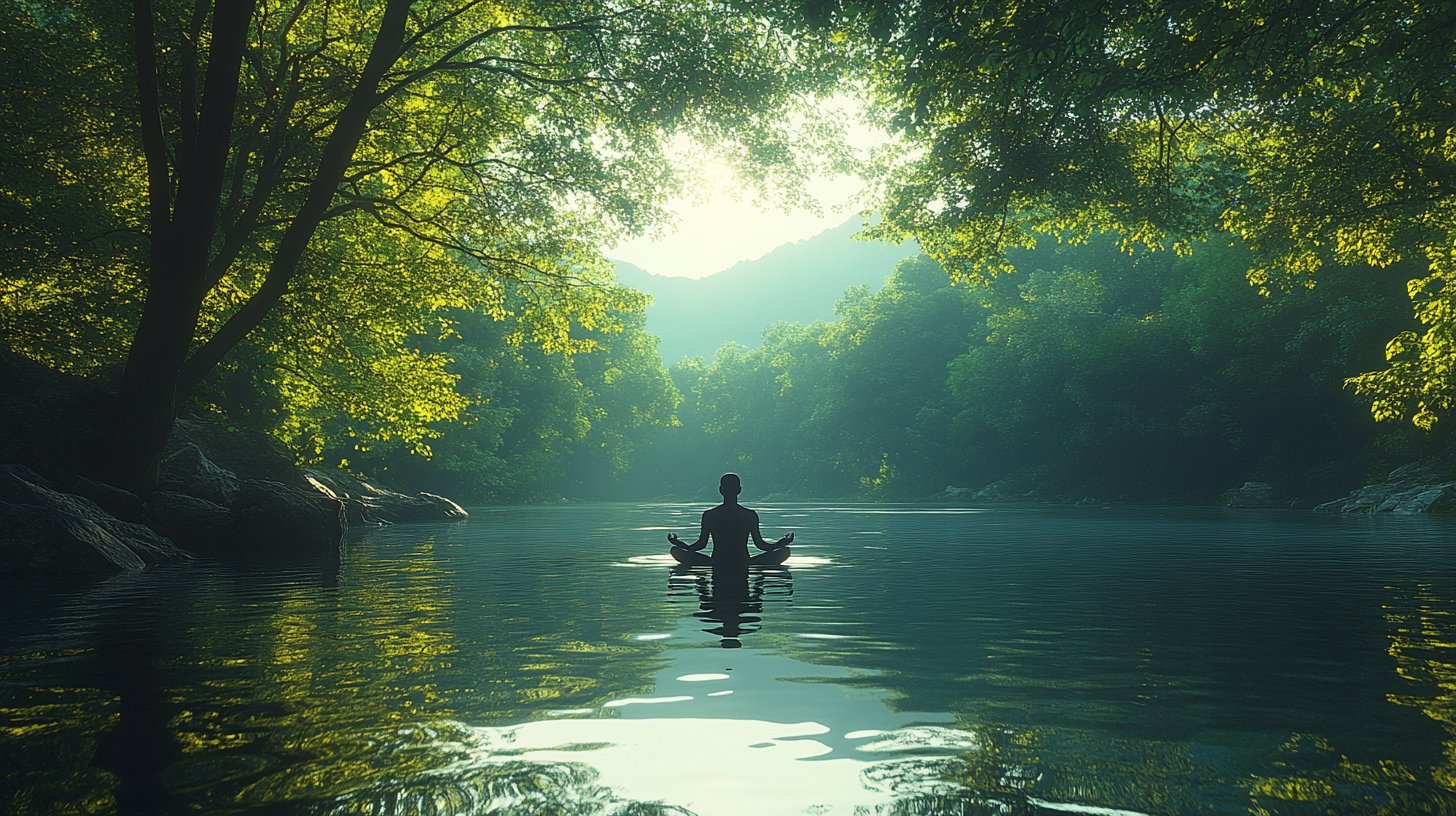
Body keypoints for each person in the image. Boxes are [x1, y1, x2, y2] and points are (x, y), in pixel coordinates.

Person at [668, 473, 793, 567]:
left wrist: (679, 544)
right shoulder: (750, 515)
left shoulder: (709, 515)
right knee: (784, 552)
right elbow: (760, 545)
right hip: (743, 563)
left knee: (675, 551)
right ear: (739, 490)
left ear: (721, 490)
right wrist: (781, 544)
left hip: (716, 563)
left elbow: (701, 544)